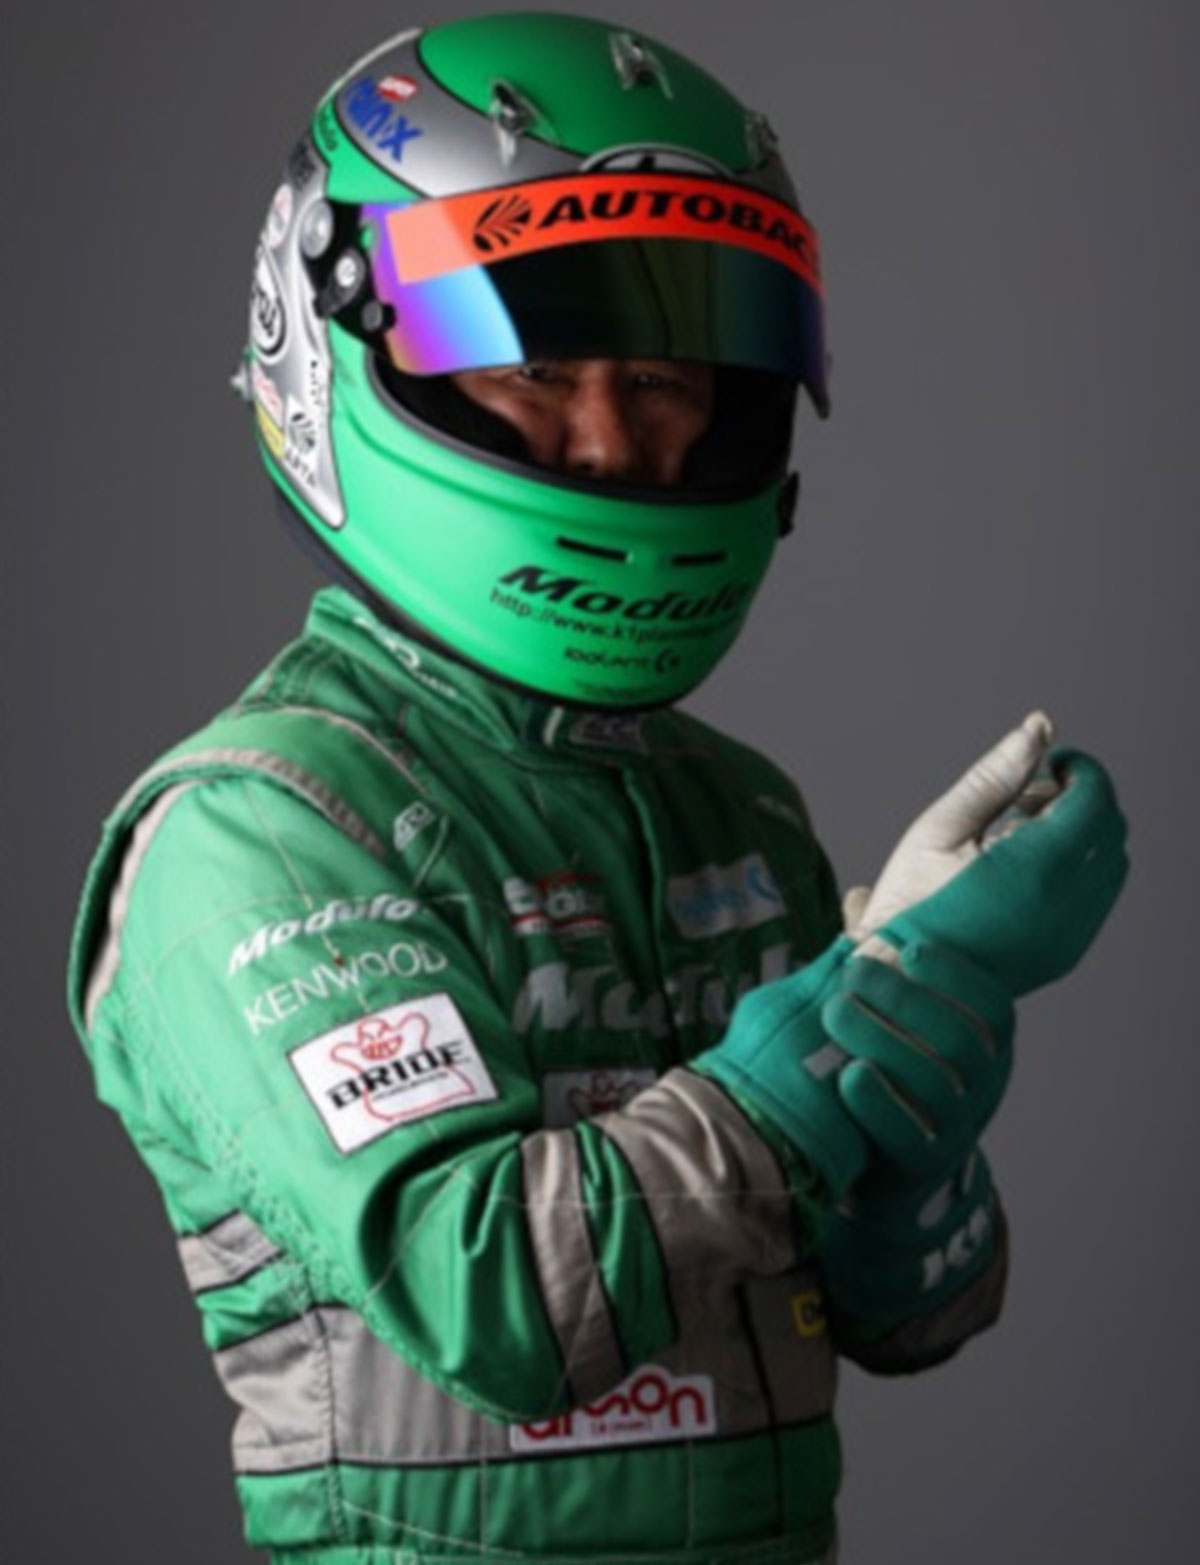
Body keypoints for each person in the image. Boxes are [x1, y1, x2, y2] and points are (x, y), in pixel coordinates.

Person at [67, 13, 1128, 1565]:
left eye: (662, 376)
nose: (612, 442)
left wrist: (912, 1120)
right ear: (332, 352)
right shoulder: (258, 825)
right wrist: (854, 1023)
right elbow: (492, 1299)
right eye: (537, 367)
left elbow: (918, 1316)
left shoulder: (738, 812)